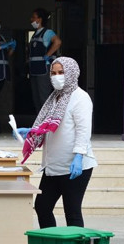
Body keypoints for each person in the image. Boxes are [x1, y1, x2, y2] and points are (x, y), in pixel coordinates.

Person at [16, 56, 96, 228]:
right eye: (53, 73)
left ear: (72, 73)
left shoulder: (80, 98)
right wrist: (32, 132)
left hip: (74, 165)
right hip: (54, 166)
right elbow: (49, 126)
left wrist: (79, 156)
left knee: (72, 212)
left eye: (61, 72)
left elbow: (83, 130)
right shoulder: (54, 98)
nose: (56, 76)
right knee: (42, 206)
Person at [27, 8, 62, 114]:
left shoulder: (47, 32)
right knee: (36, 98)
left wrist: (47, 55)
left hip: (43, 69)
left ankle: (47, 124)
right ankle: (40, 123)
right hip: (34, 69)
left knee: (44, 97)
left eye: (34, 17)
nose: (31, 19)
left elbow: (58, 42)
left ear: (40, 19)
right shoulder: (35, 33)